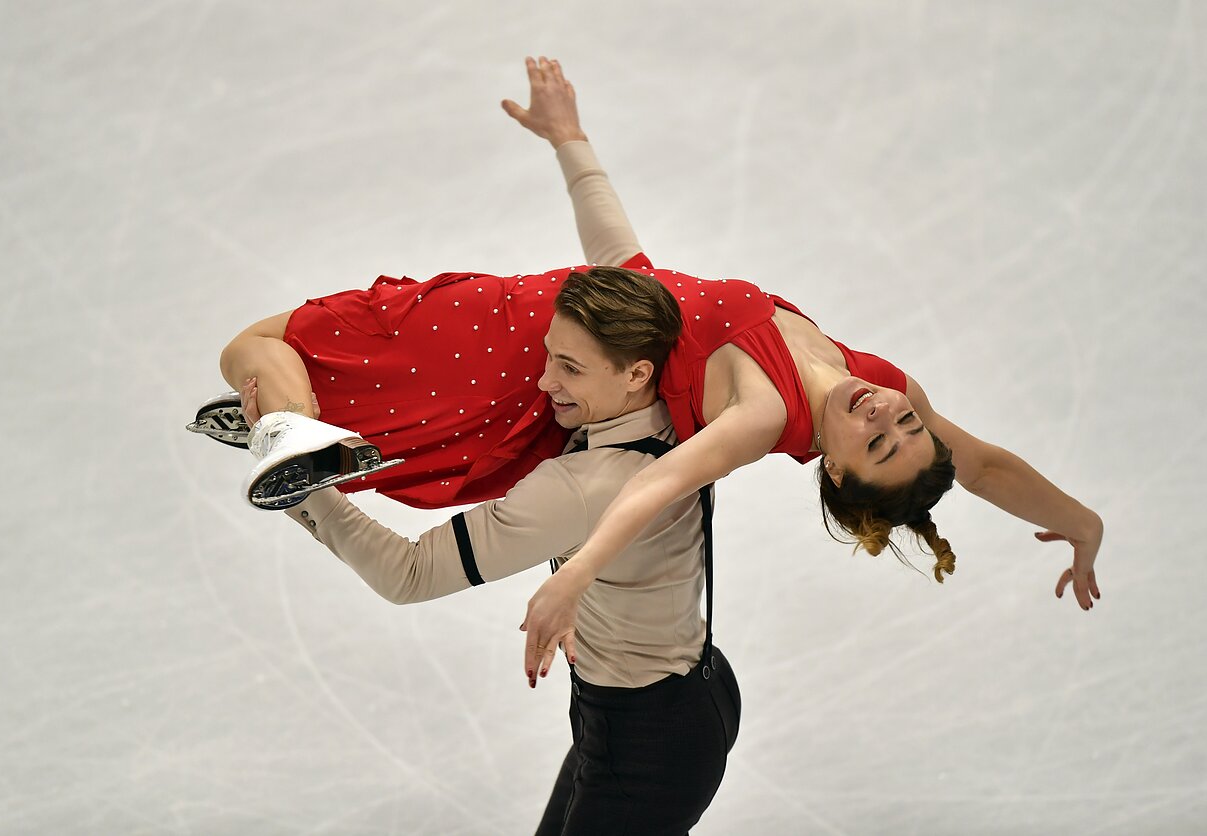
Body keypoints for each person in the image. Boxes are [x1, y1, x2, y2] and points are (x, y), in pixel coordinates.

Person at [203, 56, 1103, 686]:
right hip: (564, 322)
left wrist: (576, 574)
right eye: (906, 425)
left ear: (833, 467)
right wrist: (1082, 523)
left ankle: (284, 433)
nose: (888, 414)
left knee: (255, 347)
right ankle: (283, 433)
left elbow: (657, 484)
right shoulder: (880, 383)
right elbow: (983, 465)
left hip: (522, 347)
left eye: (877, 441)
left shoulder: (759, 414)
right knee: (270, 357)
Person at [243, 267, 741, 835]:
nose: (544, 381)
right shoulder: (689, 402)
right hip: (696, 689)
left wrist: (303, 485)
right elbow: (625, 258)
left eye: (570, 368)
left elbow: (409, 574)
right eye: (550, 355)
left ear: (636, 373)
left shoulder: (577, 489)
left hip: (644, 747)